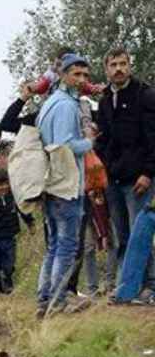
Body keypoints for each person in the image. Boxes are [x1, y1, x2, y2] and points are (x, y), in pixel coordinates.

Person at [36, 53, 95, 316]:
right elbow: (64, 144)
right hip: (66, 183)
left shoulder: (50, 102)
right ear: (63, 74)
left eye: (85, 75)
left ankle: (45, 299)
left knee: (55, 246)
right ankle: (56, 302)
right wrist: (89, 142)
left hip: (52, 182)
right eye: (76, 74)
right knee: (66, 245)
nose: (81, 79)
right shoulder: (66, 106)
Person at [95, 48, 155, 296]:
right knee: (121, 235)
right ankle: (127, 286)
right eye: (113, 65)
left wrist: (148, 172)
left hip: (139, 177)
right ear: (106, 69)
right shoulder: (105, 100)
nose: (118, 69)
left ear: (130, 65)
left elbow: (153, 138)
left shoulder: (146, 95)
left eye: (123, 63)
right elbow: (104, 139)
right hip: (112, 179)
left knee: (141, 232)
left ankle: (150, 285)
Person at [0, 169, 32, 295]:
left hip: (9, 237)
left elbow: (23, 210)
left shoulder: (12, 198)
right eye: (0, 185)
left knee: (9, 264)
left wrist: (30, 222)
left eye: (6, 183)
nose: (4, 187)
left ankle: (7, 282)